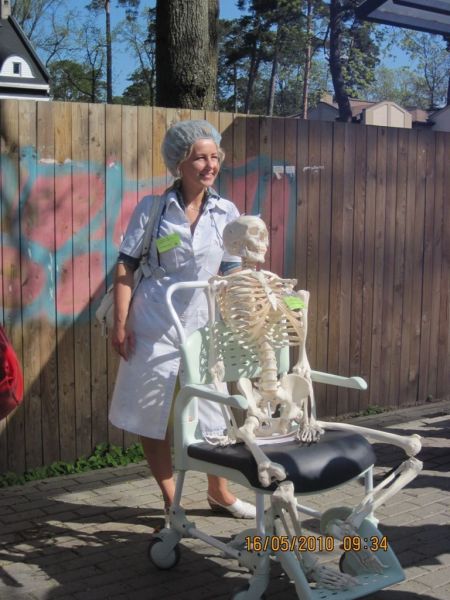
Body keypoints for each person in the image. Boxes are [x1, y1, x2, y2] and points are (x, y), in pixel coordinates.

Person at [109, 120, 255, 520]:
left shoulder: (227, 212)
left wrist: (244, 299)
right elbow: (125, 265)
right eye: (199, 158)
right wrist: (120, 322)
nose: (210, 165)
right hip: (152, 323)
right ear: (179, 162)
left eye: (214, 157)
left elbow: (232, 270)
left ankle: (219, 493)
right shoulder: (153, 209)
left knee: (213, 411)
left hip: (203, 323)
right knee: (150, 413)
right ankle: (171, 501)